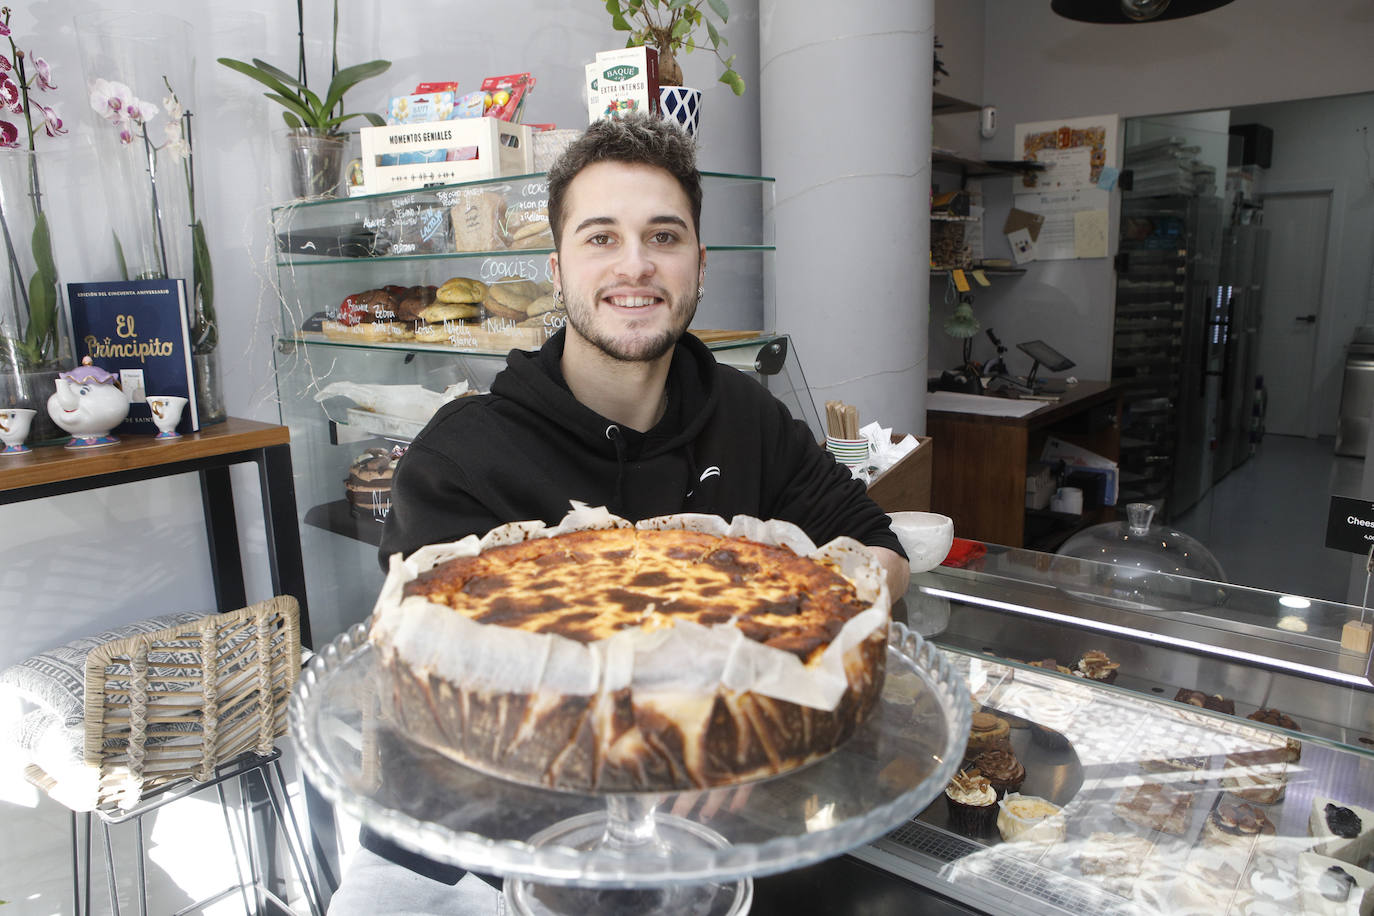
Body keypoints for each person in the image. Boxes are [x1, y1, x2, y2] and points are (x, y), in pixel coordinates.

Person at [333, 111, 908, 914]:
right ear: (556, 268)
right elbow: (445, 698)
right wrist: (677, 738)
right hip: (469, 860)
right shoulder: (463, 453)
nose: (634, 266)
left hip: (705, 850)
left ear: (700, 267)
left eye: (664, 237)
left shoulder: (745, 415)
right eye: (600, 238)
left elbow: (878, 554)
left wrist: (739, 709)